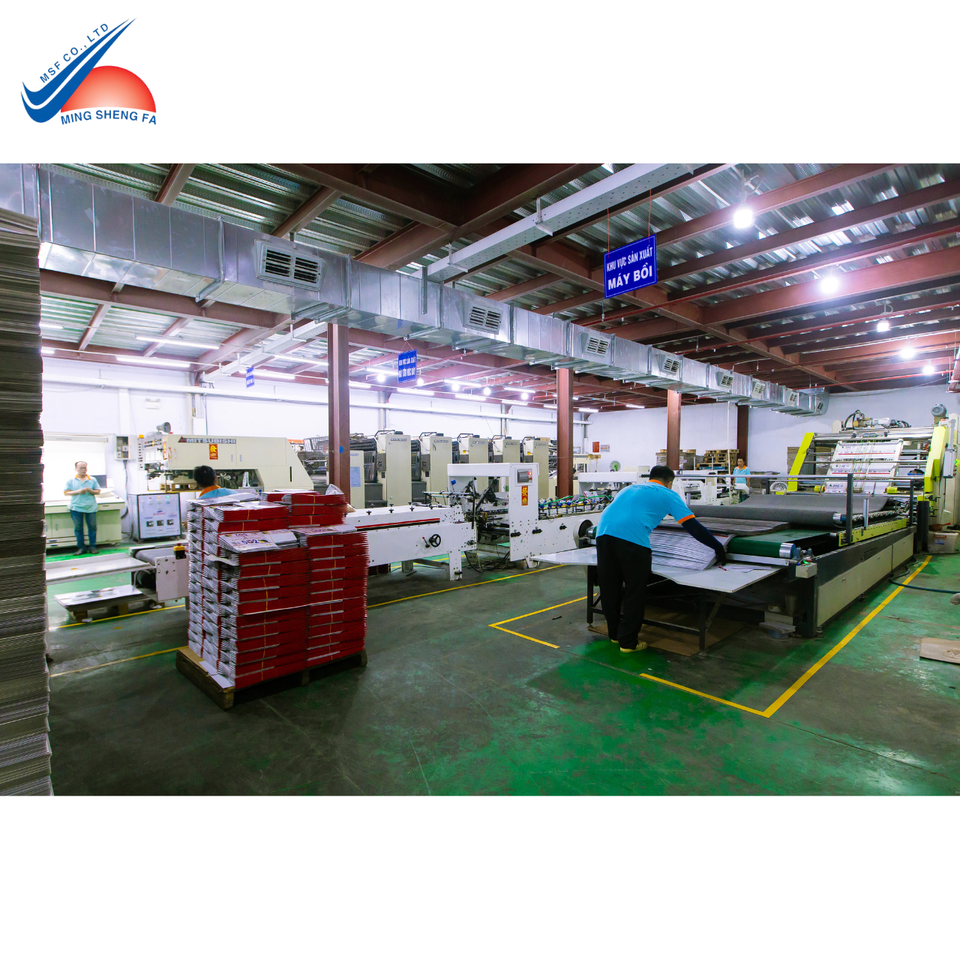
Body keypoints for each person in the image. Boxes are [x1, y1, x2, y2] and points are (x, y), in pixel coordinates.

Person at [595, 464, 727, 654]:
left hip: (603, 535)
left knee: (610, 588)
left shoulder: (629, 489)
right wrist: (717, 547)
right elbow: (692, 526)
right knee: (634, 592)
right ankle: (629, 643)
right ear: (670, 482)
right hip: (632, 541)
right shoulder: (668, 494)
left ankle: (615, 635)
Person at [63, 460, 102, 556]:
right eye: (81, 468)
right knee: (78, 528)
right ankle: (81, 548)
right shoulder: (71, 480)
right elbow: (66, 492)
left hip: (90, 507)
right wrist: (78, 492)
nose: (83, 470)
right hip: (76, 507)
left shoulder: (92, 480)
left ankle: (92, 547)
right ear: (76, 469)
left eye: (85, 468)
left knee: (92, 528)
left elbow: (98, 491)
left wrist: (89, 490)